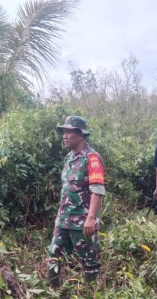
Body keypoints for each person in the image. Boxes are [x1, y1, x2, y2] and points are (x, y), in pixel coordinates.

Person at [47, 115, 106, 287]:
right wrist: (60, 217)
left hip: (83, 221)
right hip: (64, 219)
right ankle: (53, 294)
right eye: (64, 131)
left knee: (89, 261)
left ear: (80, 134)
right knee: (54, 255)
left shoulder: (92, 158)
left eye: (69, 132)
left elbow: (97, 190)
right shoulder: (69, 158)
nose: (64, 136)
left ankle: (90, 297)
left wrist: (90, 218)